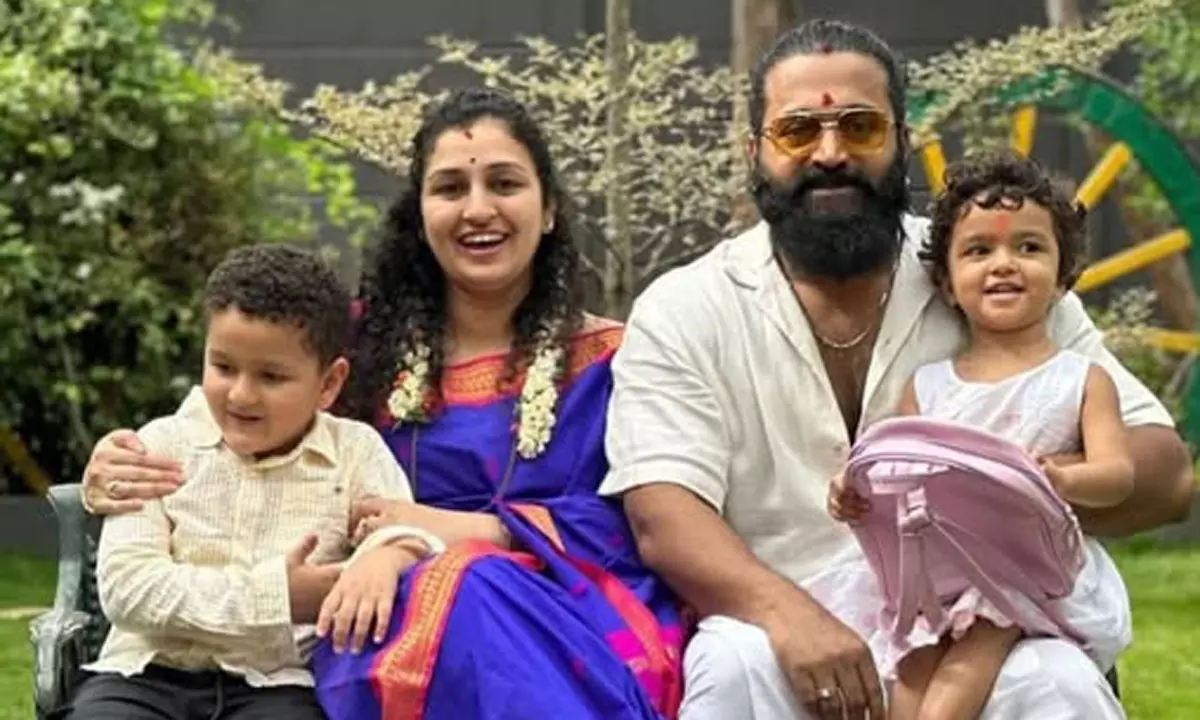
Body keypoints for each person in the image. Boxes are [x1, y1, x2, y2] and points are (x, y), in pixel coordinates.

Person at [600, 18, 1192, 720]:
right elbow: (664, 516)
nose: (830, 153)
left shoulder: (987, 271)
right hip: (780, 626)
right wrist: (788, 617)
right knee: (731, 665)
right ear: (754, 151)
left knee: (1058, 682)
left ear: (902, 141)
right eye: (797, 131)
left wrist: (1019, 484)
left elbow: (1166, 478)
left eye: (860, 127)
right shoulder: (686, 308)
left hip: (979, 632)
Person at [76, 87, 684, 720]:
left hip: (563, 611)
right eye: (450, 188)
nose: (478, 209)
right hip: (377, 611)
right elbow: (234, 418)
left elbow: (649, 521)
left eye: (504, 184)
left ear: (549, 208)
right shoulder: (353, 344)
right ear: (419, 215)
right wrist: (118, 463)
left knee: (474, 581)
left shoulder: (616, 361)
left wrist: (485, 532)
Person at [827, 153, 1135, 720]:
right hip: (937, 563)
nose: (1004, 264)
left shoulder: (1080, 379)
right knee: (911, 659)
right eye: (978, 251)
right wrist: (853, 489)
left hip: (1024, 567)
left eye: (1029, 247)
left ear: (1064, 277)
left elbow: (1119, 475)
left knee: (979, 642)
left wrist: (1064, 479)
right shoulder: (928, 384)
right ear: (947, 284)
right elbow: (896, 461)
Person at [64, 244, 431, 719]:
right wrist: (279, 596)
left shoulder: (355, 452)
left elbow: (406, 534)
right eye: (223, 367)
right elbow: (128, 591)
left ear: (328, 384)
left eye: (271, 376)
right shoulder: (156, 448)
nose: (240, 394)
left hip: (278, 684)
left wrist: (387, 554)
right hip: (144, 675)